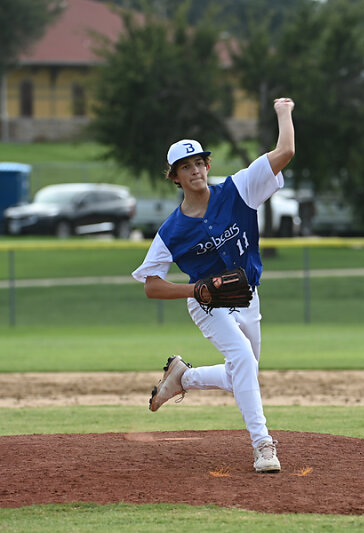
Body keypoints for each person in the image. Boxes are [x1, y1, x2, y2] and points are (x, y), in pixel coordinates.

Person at [131, 97, 295, 473]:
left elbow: (285, 151)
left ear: (208, 166)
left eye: (199, 163)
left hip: (247, 296)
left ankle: (183, 377)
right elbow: (151, 285)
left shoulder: (239, 190)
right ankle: (263, 445)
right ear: (175, 177)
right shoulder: (172, 231)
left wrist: (283, 112)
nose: (195, 170)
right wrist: (195, 290)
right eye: (185, 166)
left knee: (243, 375)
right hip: (207, 303)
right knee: (242, 359)